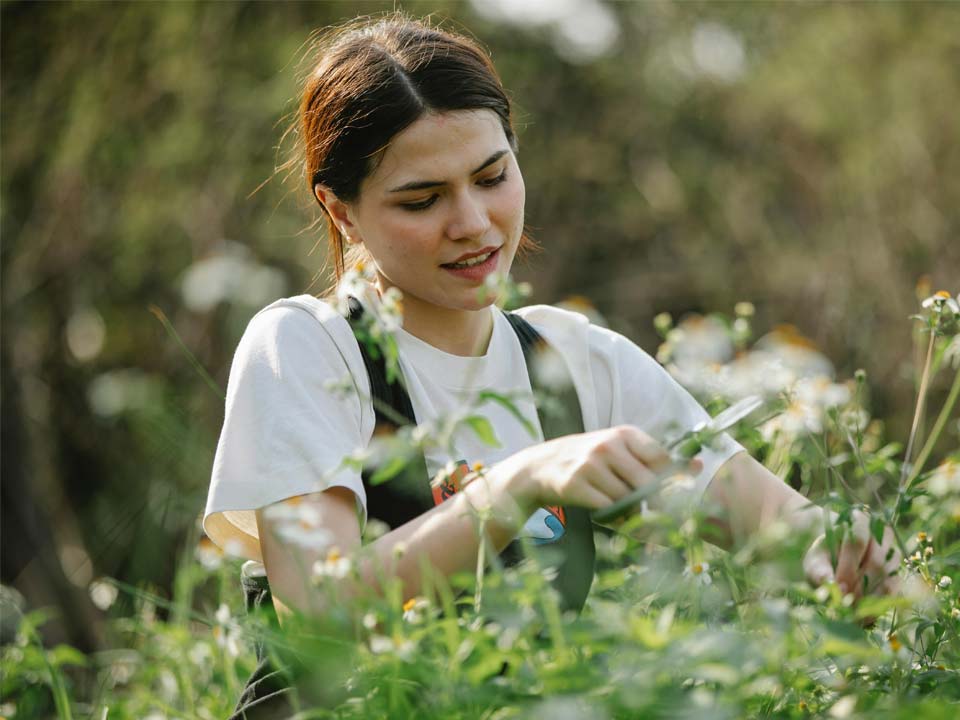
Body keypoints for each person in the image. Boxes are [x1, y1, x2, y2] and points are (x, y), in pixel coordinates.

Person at [203, 13, 899, 716]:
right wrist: (518, 485)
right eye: (423, 199)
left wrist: (836, 550)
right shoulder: (306, 349)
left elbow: (774, 521)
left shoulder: (570, 360)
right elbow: (322, 614)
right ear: (341, 211)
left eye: (491, 176)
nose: (472, 221)